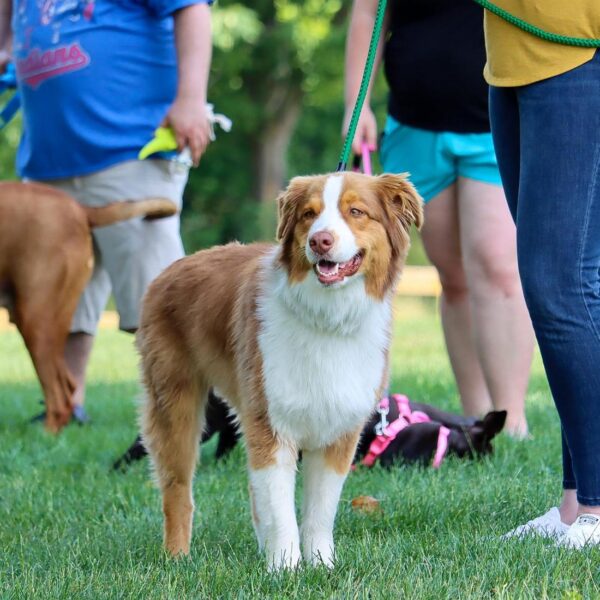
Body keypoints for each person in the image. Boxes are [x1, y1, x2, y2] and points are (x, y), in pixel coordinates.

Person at [0, 0, 213, 422]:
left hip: (131, 151)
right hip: (49, 161)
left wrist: (191, 99)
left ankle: (186, 413)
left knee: (157, 299)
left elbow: (192, 9)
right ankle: (66, 403)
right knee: (59, 301)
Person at [343, 0, 533, 437]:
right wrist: (357, 107)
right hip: (414, 123)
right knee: (453, 274)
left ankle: (511, 419)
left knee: (496, 266)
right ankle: (475, 417)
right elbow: (368, 12)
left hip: (494, 119)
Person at [481, 0, 600, 547]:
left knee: (558, 285)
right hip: (512, 55)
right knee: (576, 284)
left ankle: (598, 506)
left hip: (577, 50)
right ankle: (576, 506)